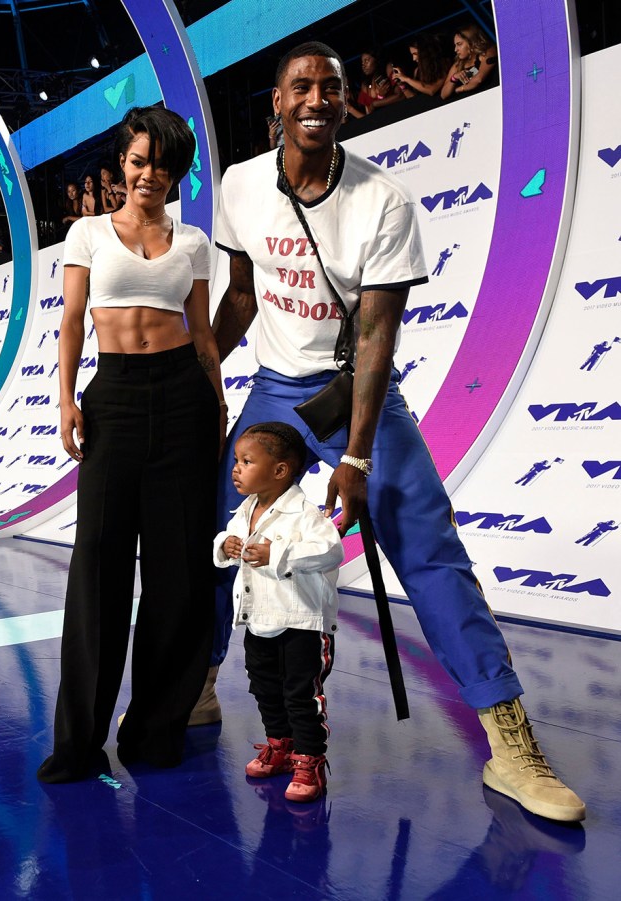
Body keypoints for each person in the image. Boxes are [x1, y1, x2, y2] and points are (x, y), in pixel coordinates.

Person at [208, 41, 585, 823]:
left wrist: (354, 454)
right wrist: (206, 376)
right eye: (302, 86)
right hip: (274, 387)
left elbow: (377, 337)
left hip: (351, 392)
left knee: (425, 534)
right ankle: (198, 683)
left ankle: (509, 741)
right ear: (275, 103)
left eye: (332, 87)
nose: (317, 97)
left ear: (346, 103)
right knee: (215, 519)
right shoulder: (240, 185)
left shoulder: (384, 200)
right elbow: (242, 294)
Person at [37, 104, 226, 784]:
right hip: (112, 398)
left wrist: (219, 402)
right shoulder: (87, 233)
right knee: (99, 569)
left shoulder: (195, 242)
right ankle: (80, 741)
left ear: (178, 172)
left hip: (184, 399)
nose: (151, 174)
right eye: (140, 160)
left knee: (179, 574)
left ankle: (156, 729)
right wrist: (65, 399)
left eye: (164, 164)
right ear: (123, 162)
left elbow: (203, 333)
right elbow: (71, 321)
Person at [214, 422, 344, 803]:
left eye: (247, 461)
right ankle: (281, 746)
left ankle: (310, 760)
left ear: (280, 470)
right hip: (259, 621)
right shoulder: (246, 509)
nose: (236, 468)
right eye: (237, 461)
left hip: (301, 622)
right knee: (265, 687)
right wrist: (228, 544)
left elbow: (331, 552)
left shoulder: (306, 515)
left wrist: (278, 554)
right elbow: (223, 539)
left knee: (301, 695)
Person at [441, 25, 498, 100]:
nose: (455, 49)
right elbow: (443, 94)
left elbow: (478, 79)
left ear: (471, 41)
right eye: (455, 45)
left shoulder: (488, 51)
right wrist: (454, 78)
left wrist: (458, 89)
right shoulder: (458, 64)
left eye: (459, 44)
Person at [388, 33, 449, 99]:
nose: (414, 59)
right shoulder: (417, 71)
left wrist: (406, 79)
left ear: (425, 52)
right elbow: (413, 98)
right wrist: (402, 85)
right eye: (412, 55)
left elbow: (431, 90)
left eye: (416, 54)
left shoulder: (443, 63)